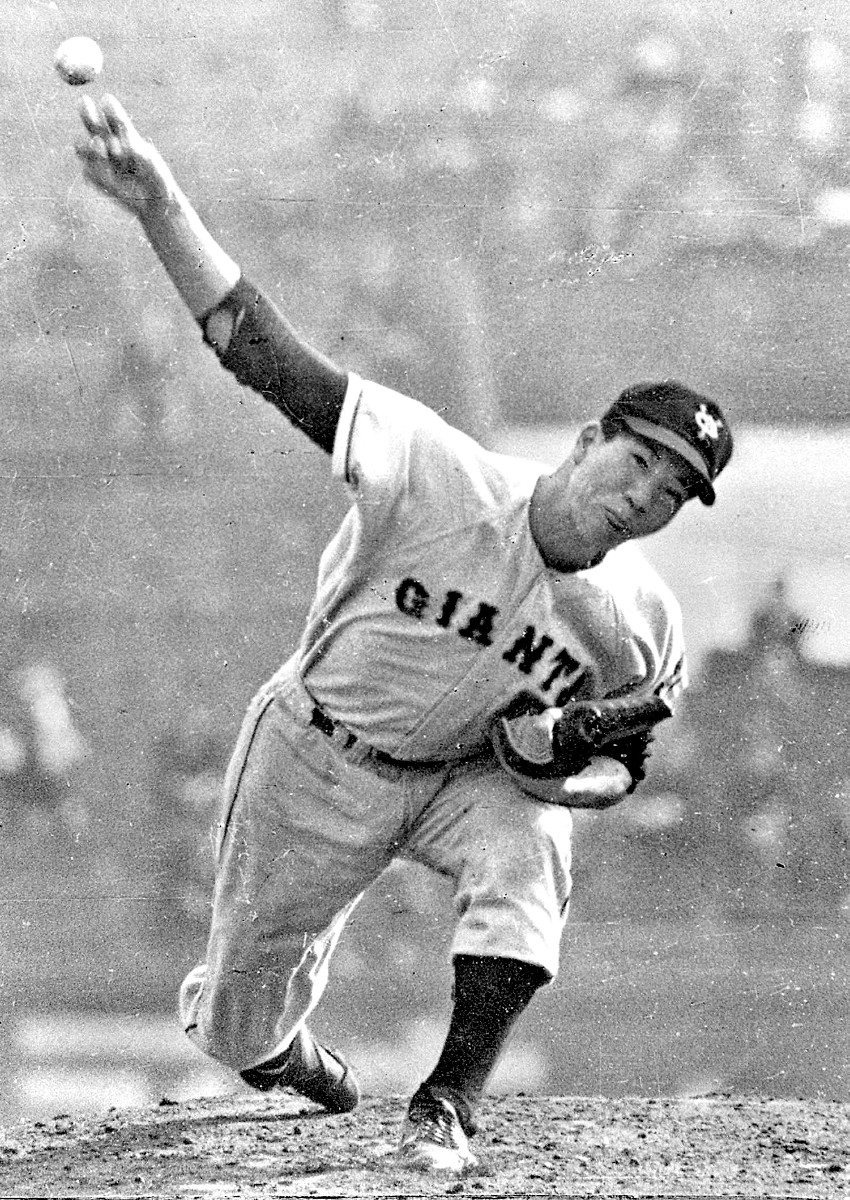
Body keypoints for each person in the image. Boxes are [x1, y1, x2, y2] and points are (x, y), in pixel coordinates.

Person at [73, 94, 733, 1174]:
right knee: (236, 1026)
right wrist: (162, 210)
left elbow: (628, 764)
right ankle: (287, 1056)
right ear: (586, 441)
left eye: (672, 491)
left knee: (530, 844)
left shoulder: (642, 621)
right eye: (639, 461)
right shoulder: (437, 472)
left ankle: (448, 1103)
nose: (644, 495)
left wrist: (569, 765)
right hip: (316, 756)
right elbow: (266, 356)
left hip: (463, 780)